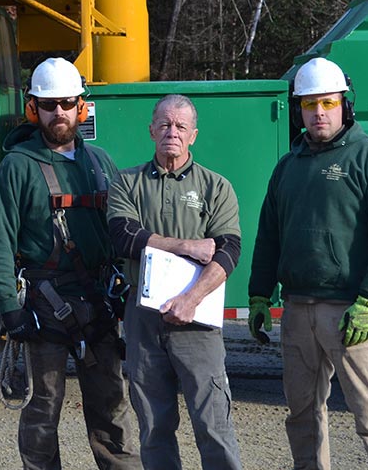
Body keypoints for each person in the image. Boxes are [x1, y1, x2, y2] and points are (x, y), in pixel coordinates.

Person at [247, 57, 368, 470]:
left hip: (349, 312)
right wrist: (258, 294)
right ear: (299, 109)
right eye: (309, 105)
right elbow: (269, 234)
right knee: (302, 415)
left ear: (344, 104)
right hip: (298, 310)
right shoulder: (288, 167)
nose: (318, 113)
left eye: (327, 103)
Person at [0, 57, 140, 470]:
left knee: (112, 410)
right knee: (41, 413)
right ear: (34, 109)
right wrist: (9, 309)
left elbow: (122, 232)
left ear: (81, 107)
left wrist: (129, 288)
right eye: (49, 105)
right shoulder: (17, 166)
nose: (59, 113)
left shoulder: (101, 163)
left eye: (67, 103)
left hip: (100, 302)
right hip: (44, 307)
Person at [107, 94, 243, 469]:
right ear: (151, 130)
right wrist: (185, 245)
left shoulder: (216, 187)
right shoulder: (127, 182)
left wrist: (191, 299)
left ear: (193, 135)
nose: (172, 132)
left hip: (197, 320)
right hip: (143, 319)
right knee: (153, 425)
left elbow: (229, 251)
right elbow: (123, 236)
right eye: (164, 124)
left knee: (213, 423)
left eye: (181, 126)